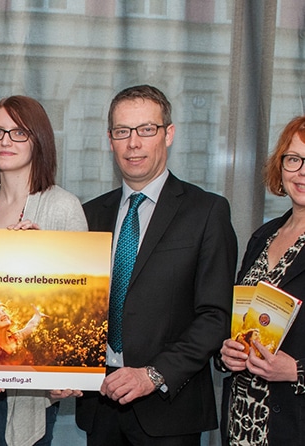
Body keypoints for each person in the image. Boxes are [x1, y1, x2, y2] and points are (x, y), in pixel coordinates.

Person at [76, 84, 237, 445]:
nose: (133, 143)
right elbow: (75, 305)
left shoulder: (207, 211)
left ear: (169, 135)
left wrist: (154, 374)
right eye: (122, 132)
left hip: (170, 411)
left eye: (146, 130)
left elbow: (215, 315)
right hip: (99, 405)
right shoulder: (89, 214)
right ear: (110, 139)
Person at [0, 95, 87, 446]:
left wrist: (44, 254)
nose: (4, 141)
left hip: (32, 388)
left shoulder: (64, 208)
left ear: (39, 139)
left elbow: (79, 296)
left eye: (18, 132)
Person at [219, 115, 305, 445]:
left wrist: (296, 372)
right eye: (293, 158)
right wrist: (226, 353)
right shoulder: (264, 236)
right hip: (242, 419)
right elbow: (239, 320)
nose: (301, 171)